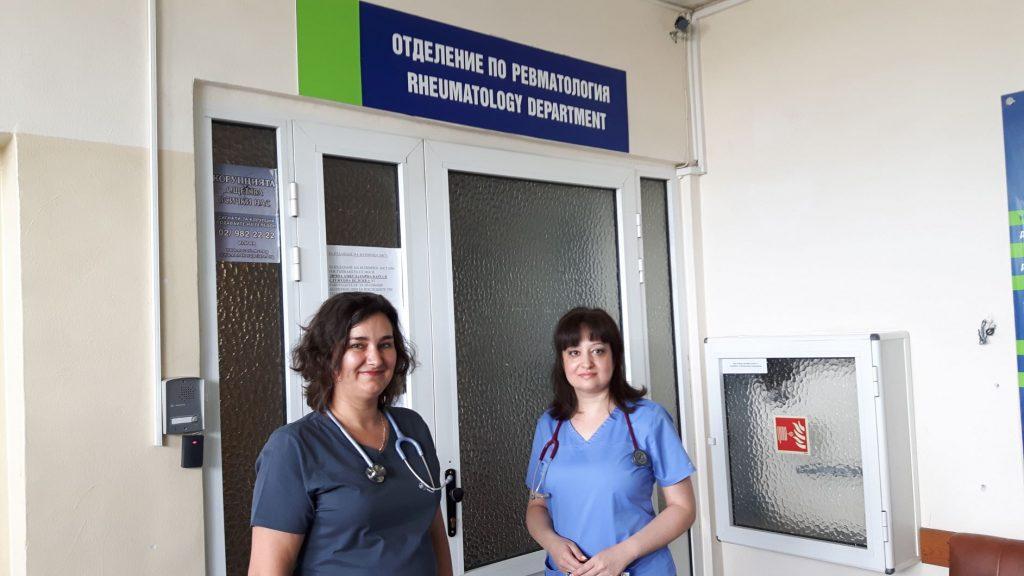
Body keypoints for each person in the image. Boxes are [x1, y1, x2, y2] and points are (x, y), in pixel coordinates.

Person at [248, 292, 453, 576]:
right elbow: (266, 571)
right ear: (327, 356)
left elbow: (433, 530)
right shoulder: (293, 447)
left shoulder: (412, 428)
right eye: (358, 345)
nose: (375, 359)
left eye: (385, 344)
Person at [525, 307, 696, 576]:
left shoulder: (648, 419)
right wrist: (552, 544)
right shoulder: (550, 425)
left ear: (614, 357)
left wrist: (624, 553)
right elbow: (537, 505)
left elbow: (683, 508)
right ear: (562, 361)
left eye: (597, 350)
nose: (586, 363)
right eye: (574, 352)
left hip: (638, 568)